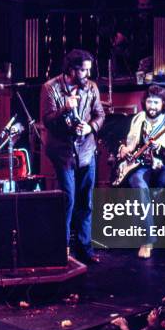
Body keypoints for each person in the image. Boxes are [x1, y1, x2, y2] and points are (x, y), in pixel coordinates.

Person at [41, 49, 105, 264]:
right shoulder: (50, 88)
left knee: (86, 201)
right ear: (71, 69)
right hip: (63, 151)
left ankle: (85, 249)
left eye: (89, 69)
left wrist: (90, 128)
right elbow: (47, 120)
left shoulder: (92, 87)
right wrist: (64, 109)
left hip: (86, 149)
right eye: (83, 69)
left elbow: (100, 114)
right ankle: (62, 249)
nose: (87, 73)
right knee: (67, 199)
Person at [117, 85, 165, 259]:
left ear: (164, 104)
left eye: (156, 102)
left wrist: (161, 151)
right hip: (137, 167)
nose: (152, 106)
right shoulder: (136, 120)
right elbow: (119, 140)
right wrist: (122, 148)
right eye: (149, 101)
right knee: (139, 185)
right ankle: (147, 240)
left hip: (159, 166)